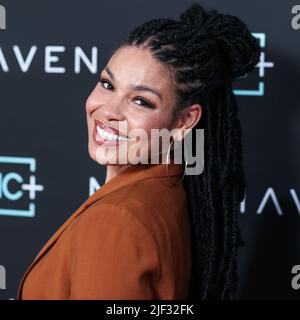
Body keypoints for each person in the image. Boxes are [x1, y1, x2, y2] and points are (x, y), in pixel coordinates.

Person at [17, 3, 260, 300]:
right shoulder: (174, 186)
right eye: (107, 84)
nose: (108, 111)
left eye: (141, 101)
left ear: (185, 121)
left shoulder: (115, 220)